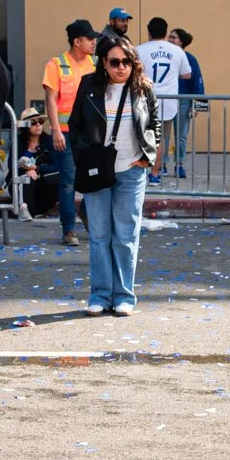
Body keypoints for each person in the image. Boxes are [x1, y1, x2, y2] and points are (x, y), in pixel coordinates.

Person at [67, 35, 161, 316]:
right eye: (115, 62)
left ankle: (124, 296)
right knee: (99, 236)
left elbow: (154, 124)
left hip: (131, 171)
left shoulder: (143, 88)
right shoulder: (90, 86)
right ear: (104, 63)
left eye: (127, 62)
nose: (122, 68)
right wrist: (84, 158)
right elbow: (76, 125)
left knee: (125, 236)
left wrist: (147, 157)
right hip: (98, 171)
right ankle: (99, 295)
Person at [41, 18, 97, 247]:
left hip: (89, 134)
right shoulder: (56, 64)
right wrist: (55, 130)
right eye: (89, 38)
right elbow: (51, 100)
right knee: (68, 182)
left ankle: (86, 213)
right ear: (77, 41)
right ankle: (69, 230)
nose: (94, 42)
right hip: (64, 133)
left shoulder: (95, 64)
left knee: (93, 179)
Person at [136, 17, 192, 183]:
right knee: (160, 139)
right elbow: (187, 74)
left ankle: (141, 172)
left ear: (149, 32)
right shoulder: (178, 51)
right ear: (166, 32)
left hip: (144, 100)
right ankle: (155, 174)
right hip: (167, 102)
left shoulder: (139, 50)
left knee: (141, 136)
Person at [169, 28, 206, 180]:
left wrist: (196, 105)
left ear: (182, 41)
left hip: (184, 101)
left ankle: (179, 165)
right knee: (162, 136)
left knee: (181, 136)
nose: (170, 40)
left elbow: (198, 82)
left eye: (174, 37)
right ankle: (161, 164)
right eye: (169, 37)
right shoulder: (166, 57)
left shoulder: (190, 59)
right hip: (166, 100)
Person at [17, 111, 62, 219]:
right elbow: (11, 166)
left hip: (43, 183)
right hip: (22, 183)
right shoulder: (18, 141)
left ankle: (35, 210)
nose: (38, 125)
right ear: (25, 126)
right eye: (33, 122)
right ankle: (26, 211)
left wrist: (36, 168)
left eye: (40, 122)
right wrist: (27, 171)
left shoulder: (49, 141)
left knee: (61, 177)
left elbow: (57, 166)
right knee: (28, 178)